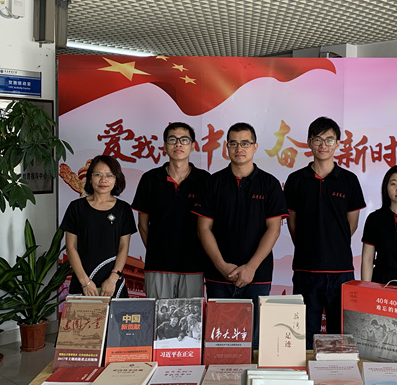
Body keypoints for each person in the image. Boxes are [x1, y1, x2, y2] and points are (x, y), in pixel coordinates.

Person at [194, 122, 288, 346]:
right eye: (233, 143)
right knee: (220, 342)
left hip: (257, 275)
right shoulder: (212, 183)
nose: (239, 148)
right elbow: (203, 228)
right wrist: (221, 265)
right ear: (226, 147)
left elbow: (274, 229)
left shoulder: (269, 184)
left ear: (255, 146)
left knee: (253, 342)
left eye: (245, 143)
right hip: (218, 275)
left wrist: (251, 267)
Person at [284, 116, 365, 344]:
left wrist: (333, 244)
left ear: (337, 143)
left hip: (341, 271)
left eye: (329, 140)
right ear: (309, 142)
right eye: (318, 139)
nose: (323, 145)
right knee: (304, 336)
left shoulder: (349, 180)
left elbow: (351, 224)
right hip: (306, 270)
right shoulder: (296, 180)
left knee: (340, 337)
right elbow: (292, 223)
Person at [131, 122, 210, 299]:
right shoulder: (150, 179)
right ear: (165, 145)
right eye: (172, 139)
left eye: (184, 140)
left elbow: (210, 225)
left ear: (193, 145)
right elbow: (142, 224)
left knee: (189, 316)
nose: (178, 144)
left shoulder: (205, 181)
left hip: (193, 266)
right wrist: (157, 250)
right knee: (158, 314)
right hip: (158, 266)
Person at [60, 155, 137, 298]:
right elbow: (71, 247)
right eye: (98, 175)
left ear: (116, 179)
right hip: (82, 282)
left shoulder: (123, 209)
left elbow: (123, 247)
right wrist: (85, 282)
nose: (103, 180)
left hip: (113, 284)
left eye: (109, 175)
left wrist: (113, 279)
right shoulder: (76, 207)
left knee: (116, 313)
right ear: (90, 178)